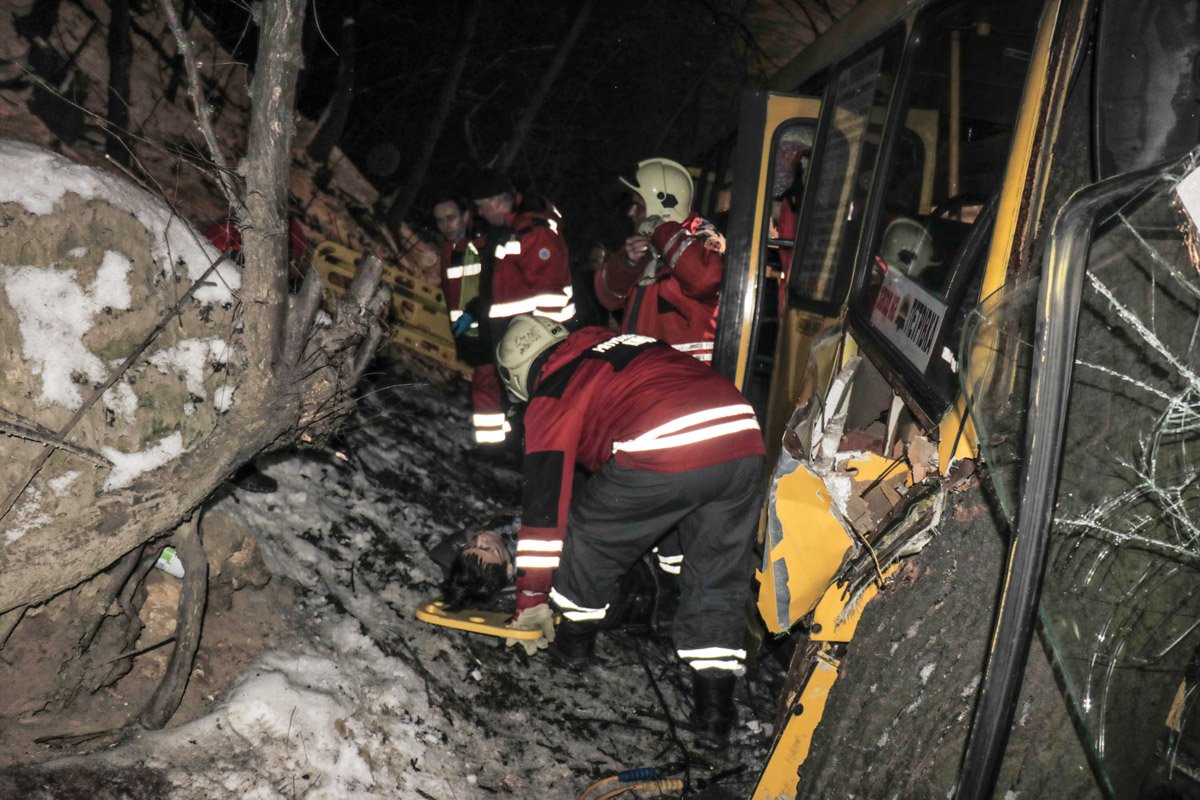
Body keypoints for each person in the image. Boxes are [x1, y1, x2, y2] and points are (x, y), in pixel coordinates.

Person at [492, 314, 766, 748]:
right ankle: (715, 711)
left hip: (665, 444)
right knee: (717, 574)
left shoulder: (552, 391)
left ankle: (574, 646)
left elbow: (545, 512)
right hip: (743, 436)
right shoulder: (616, 344)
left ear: (519, 377)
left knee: (587, 536)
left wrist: (532, 598)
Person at [468, 170, 576, 447]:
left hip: (534, 342)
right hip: (517, 336)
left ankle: (531, 450)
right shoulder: (513, 229)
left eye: (481, 206)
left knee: (536, 405)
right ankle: (516, 447)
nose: (479, 213)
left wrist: (541, 343)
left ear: (495, 202)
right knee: (519, 403)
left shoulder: (535, 232)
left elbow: (549, 294)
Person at [593, 158, 726, 365]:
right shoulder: (651, 242)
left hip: (686, 376)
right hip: (649, 371)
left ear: (661, 205)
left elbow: (704, 280)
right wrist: (627, 263)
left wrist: (661, 231)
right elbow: (608, 295)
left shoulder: (703, 239)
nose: (631, 213)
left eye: (638, 206)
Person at [432, 194, 506, 446]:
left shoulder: (482, 244)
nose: (446, 225)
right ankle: (497, 443)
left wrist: (474, 315)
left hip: (488, 329)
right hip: (469, 333)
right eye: (440, 220)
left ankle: (493, 447)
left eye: (451, 217)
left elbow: (491, 286)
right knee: (487, 388)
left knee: (487, 388)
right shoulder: (449, 249)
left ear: (465, 215)